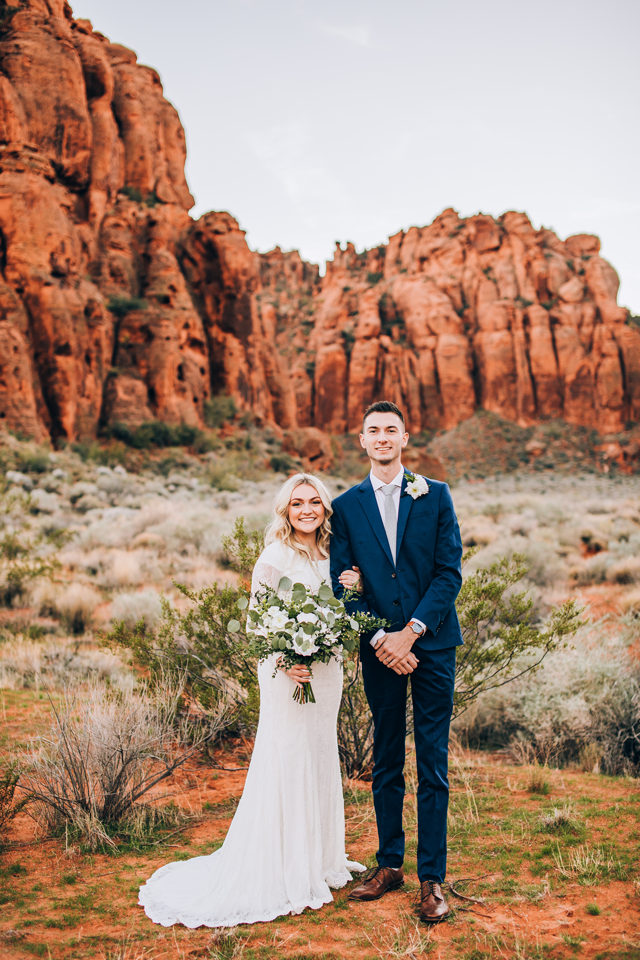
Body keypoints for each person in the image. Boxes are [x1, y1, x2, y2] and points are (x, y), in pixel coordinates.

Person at [139, 473, 365, 929]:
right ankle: (284, 868)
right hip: (286, 670)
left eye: (315, 502)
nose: (307, 509)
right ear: (286, 509)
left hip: (326, 668)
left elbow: (345, 609)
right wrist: (287, 660)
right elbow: (258, 621)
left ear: (325, 508)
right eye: (297, 502)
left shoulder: (334, 553)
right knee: (288, 756)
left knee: (319, 754)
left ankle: (319, 861)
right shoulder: (275, 555)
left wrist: (354, 588)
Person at [330, 400, 463, 923]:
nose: (382, 438)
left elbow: (448, 574)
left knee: (432, 761)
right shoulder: (345, 506)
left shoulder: (436, 496)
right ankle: (389, 865)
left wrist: (411, 633)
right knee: (386, 758)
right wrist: (384, 638)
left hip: (430, 645)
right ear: (361, 441)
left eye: (391, 430)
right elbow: (343, 585)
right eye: (373, 431)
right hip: (379, 649)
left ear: (405, 438)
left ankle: (432, 879)